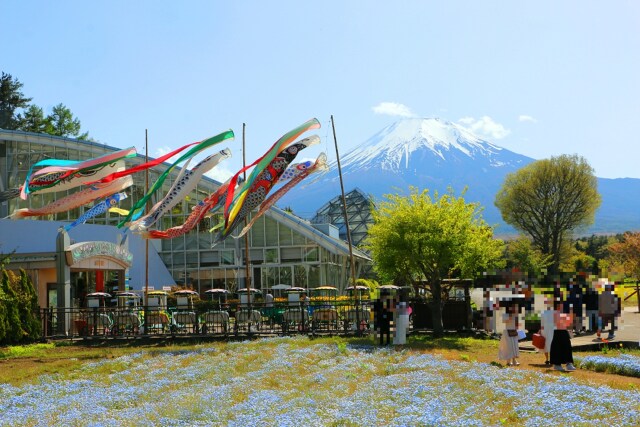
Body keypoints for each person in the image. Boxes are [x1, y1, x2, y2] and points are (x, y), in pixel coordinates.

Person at [549, 300, 576, 371]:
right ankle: (557, 364)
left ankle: (569, 363)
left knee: (567, 347)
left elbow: (569, 323)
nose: (561, 306)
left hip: (564, 332)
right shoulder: (554, 314)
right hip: (557, 332)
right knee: (557, 348)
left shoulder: (563, 313)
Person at [539, 295, 555, 366]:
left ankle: (551, 359)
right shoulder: (543, 312)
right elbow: (542, 323)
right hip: (545, 330)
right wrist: (540, 330)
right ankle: (547, 359)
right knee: (546, 344)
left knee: (551, 343)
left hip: (551, 329)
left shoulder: (554, 312)